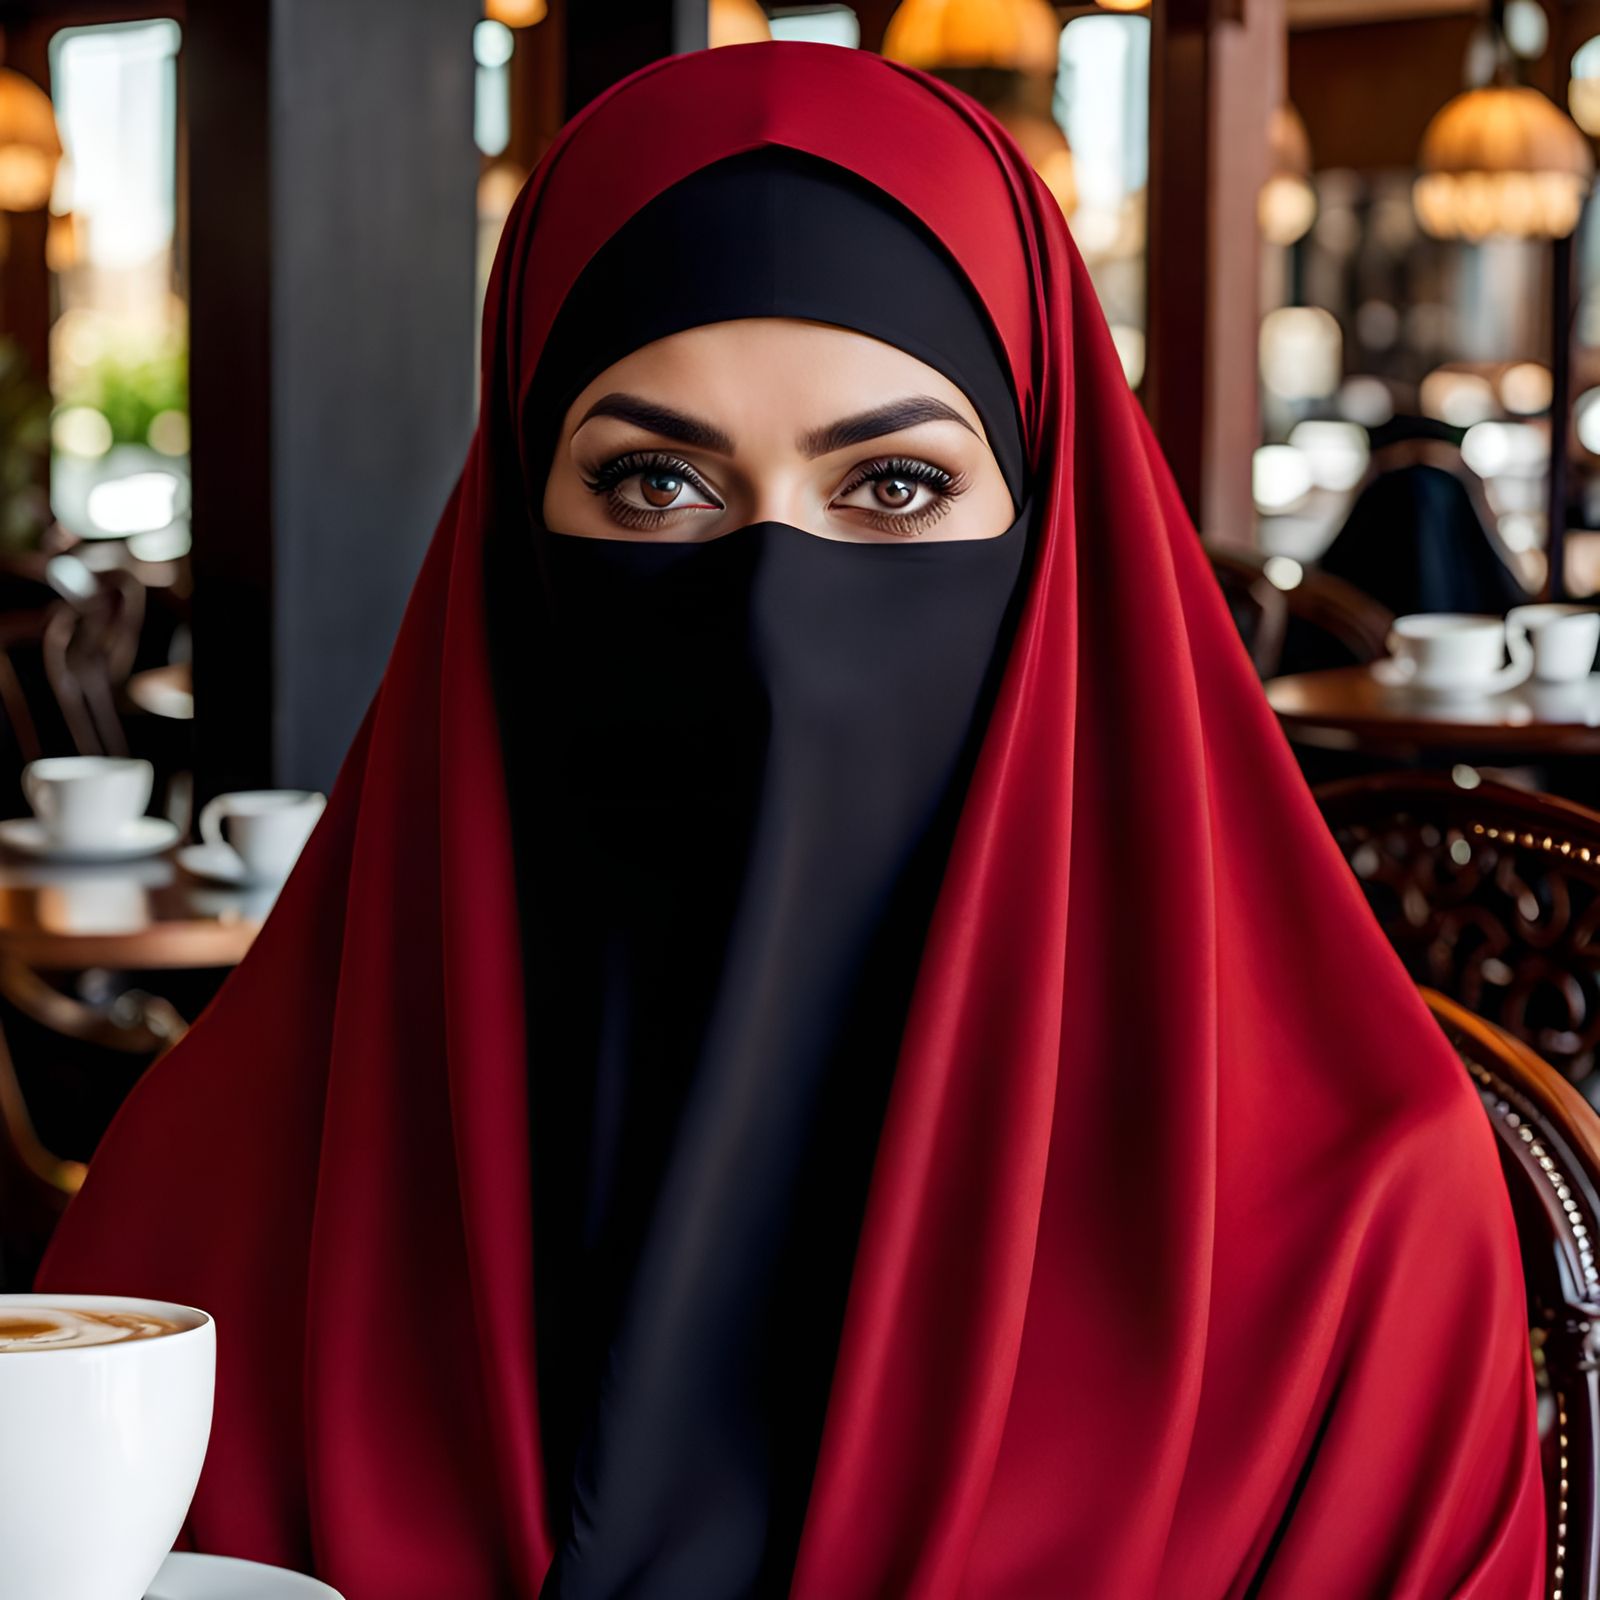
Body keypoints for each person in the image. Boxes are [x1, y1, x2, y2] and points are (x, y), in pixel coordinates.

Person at [38, 40, 1544, 1600]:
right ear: (507, 542)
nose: (767, 617)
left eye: (891, 485)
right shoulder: (231, 1197)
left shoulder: (1355, 1224)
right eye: (653, 485)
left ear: (1049, 545)